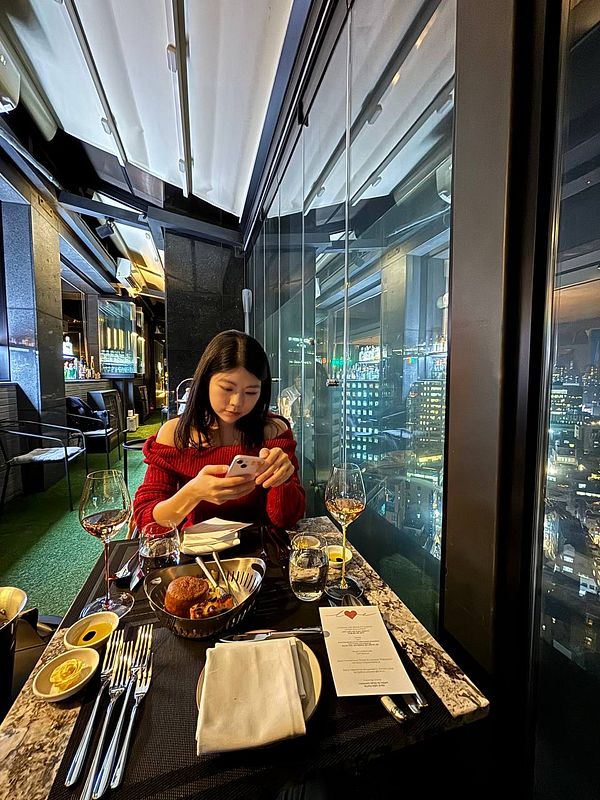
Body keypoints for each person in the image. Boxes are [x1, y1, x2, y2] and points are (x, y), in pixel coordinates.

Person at [133, 330, 305, 532]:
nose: (237, 403)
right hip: (198, 556)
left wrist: (282, 482)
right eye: (227, 388)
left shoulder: (273, 431)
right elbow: (148, 521)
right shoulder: (176, 435)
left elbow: (288, 520)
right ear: (206, 381)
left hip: (262, 553)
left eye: (251, 392)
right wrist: (193, 493)